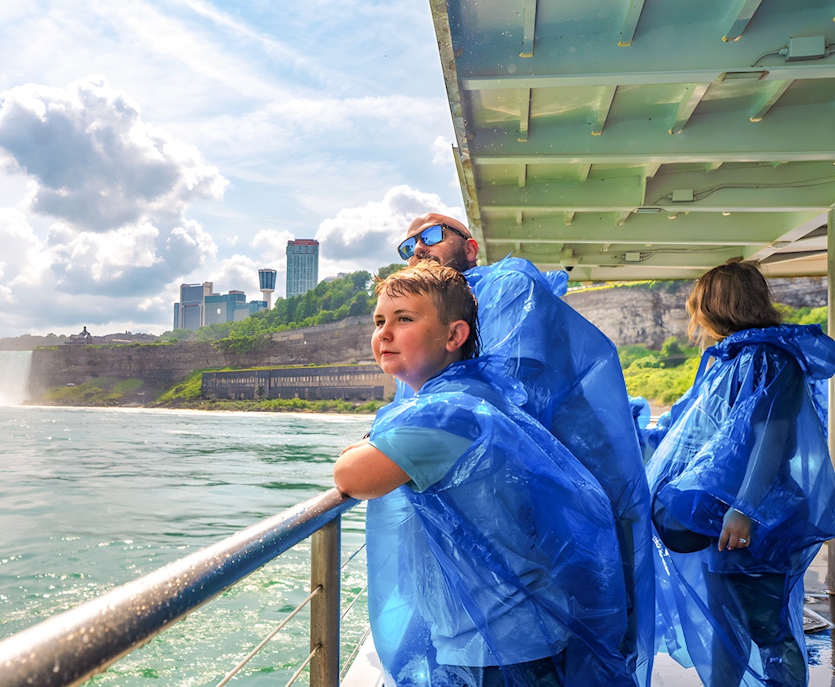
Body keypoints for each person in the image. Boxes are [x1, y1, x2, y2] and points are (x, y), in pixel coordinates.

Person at [335, 261, 632, 686]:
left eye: (404, 319)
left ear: (454, 336)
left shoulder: (448, 414)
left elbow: (352, 476)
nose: (384, 332)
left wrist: (365, 447)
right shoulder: (474, 398)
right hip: (515, 633)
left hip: (498, 648)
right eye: (380, 320)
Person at [392, 213, 654, 685]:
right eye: (408, 244)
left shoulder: (507, 283)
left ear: (470, 248)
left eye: (432, 235)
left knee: (593, 623)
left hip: (568, 483)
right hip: (523, 493)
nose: (418, 247)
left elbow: (511, 385)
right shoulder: (435, 311)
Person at [641, 259, 835, 687]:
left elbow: (771, 440)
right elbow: (698, 437)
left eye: (700, 308)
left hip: (757, 521)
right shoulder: (735, 359)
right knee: (726, 629)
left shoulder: (768, 359)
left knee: (770, 632)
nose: (698, 319)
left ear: (719, 306)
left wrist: (743, 508)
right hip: (723, 520)